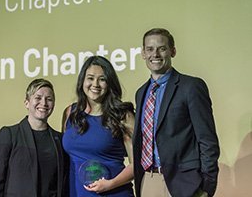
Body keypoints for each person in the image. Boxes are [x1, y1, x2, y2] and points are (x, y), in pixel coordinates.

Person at [133, 28, 220, 197]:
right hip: (149, 181)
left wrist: (207, 188)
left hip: (185, 185)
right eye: (149, 49)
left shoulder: (191, 87)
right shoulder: (141, 92)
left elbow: (207, 140)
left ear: (172, 51)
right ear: (143, 53)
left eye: (162, 48)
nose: (155, 54)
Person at [62, 55, 135, 196]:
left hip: (114, 193)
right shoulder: (70, 113)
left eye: (102, 79)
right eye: (90, 78)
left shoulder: (123, 116)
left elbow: (137, 164)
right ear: (82, 81)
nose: (95, 84)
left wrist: (110, 184)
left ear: (109, 83)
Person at [0, 78, 69, 197]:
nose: (44, 103)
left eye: (49, 99)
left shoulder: (59, 140)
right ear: (27, 103)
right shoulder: (9, 135)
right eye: (38, 98)